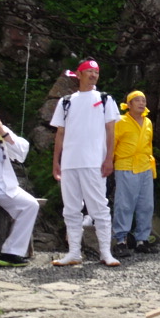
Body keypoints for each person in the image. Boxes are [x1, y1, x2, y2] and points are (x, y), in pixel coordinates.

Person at [50, 58, 121, 266]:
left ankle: (106, 253)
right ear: (78, 74)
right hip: (70, 163)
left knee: (99, 207)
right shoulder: (66, 102)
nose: (92, 75)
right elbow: (60, 133)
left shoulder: (105, 99)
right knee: (71, 208)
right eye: (88, 71)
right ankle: (74, 253)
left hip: (94, 162)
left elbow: (111, 130)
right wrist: (56, 161)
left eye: (96, 72)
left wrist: (109, 158)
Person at [0, 88, 39, 269]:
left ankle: (12, 253)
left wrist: (3, 131)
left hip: (2, 184)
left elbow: (21, 153)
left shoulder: (0, 129)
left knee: (30, 205)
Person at [112, 90, 157, 257]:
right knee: (124, 204)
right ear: (128, 105)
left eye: (143, 100)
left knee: (146, 205)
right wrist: (109, 162)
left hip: (145, 166)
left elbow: (149, 145)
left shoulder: (148, 122)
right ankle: (121, 240)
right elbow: (112, 143)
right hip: (125, 165)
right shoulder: (120, 121)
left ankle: (142, 240)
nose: (141, 103)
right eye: (137, 100)